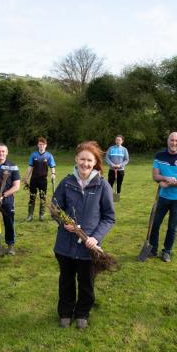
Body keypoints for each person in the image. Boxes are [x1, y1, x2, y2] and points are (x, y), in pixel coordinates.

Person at [52, 141, 115, 329]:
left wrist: (96, 238)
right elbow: (55, 209)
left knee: (86, 282)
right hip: (65, 245)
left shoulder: (102, 185)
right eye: (82, 159)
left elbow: (109, 217)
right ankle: (65, 312)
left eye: (89, 160)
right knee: (66, 281)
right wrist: (63, 222)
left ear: (95, 163)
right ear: (76, 159)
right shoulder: (66, 182)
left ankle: (82, 313)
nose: (85, 164)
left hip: (88, 247)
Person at [149, 132, 177, 262]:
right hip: (163, 197)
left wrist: (169, 183)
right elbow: (155, 176)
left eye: (176, 140)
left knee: (173, 228)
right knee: (154, 224)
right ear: (167, 141)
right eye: (172, 140)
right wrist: (164, 178)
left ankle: (167, 251)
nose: (174, 143)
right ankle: (152, 249)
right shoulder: (159, 156)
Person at [24, 137, 56, 221]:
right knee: (32, 197)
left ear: (45, 145)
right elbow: (30, 167)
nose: (41, 146)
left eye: (42, 144)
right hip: (34, 179)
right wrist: (26, 177)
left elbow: (52, 166)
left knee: (43, 197)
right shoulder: (33, 155)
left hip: (43, 180)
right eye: (39, 144)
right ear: (38, 145)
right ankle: (30, 215)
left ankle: (41, 215)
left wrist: (53, 174)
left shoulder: (49, 156)